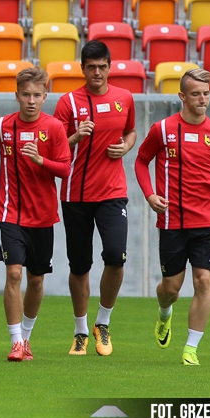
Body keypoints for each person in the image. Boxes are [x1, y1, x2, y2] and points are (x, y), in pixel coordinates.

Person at [134, 68, 210, 366]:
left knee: (204, 281)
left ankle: (191, 348)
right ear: (182, 96)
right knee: (171, 289)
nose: (203, 99)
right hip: (173, 221)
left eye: (206, 93)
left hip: (206, 221)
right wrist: (150, 195)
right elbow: (141, 161)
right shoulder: (163, 129)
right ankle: (164, 314)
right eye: (196, 94)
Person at [0, 67, 71, 362]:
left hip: (43, 216)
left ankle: (27, 337)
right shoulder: (2, 126)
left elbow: (65, 169)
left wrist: (41, 160)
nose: (31, 101)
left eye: (37, 95)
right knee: (14, 273)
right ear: (17, 95)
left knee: (37, 280)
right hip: (10, 212)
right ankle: (16, 341)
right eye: (26, 95)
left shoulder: (54, 128)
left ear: (45, 96)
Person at [53, 40, 136, 357]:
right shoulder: (68, 103)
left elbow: (131, 131)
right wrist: (75, 136)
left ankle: (103, 323)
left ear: (110, 67)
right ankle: (80, 331)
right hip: (75, 194)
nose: (97, 72)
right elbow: (54, 149)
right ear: (82, 68)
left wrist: (125, 147)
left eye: (102, 66)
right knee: (80, 265)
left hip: (113, 193)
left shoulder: (124, 98)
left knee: (115, 256)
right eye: (91, 67)